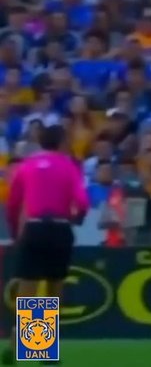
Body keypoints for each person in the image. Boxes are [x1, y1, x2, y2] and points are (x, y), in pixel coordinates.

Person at [3, 125, 89, 365]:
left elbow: (12, 203)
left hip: (35, 228)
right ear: (62, 142)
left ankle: (16, 341)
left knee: (27, 289)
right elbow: (82, 201)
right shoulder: (69, 166)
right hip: (60, 228)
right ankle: (44, 350)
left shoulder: (27, 166)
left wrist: (15, 230)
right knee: (54, 289)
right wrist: (78, 218)